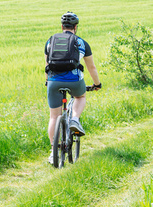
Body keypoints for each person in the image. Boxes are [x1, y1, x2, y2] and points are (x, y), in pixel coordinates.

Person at [44, 12, 102, 165]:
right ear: (76, 27)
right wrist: (97, 84)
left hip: (53, 81)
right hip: (74, 81)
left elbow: (47, 66)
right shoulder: (82, 43)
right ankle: (75, 120)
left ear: (61, 26)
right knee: (80, 97)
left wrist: (47, 82)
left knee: (54, 117)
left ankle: (53, 152)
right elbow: (91, 67)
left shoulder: (50, 41)